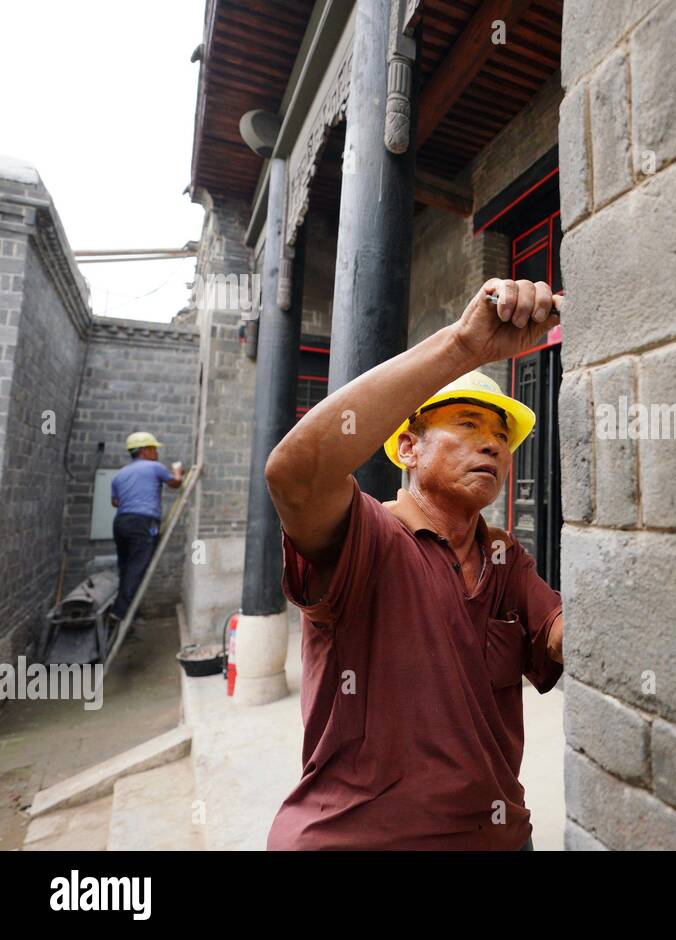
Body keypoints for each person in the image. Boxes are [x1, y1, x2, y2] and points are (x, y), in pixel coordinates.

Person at [264, 278, 565, 851]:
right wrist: (463, 348)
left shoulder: (504, 557)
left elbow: (558, 634)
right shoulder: (367, 536)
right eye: (468, 426)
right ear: (408, 448)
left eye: (502, 435)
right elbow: (292, 474)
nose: (494, 446)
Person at [109, 432, 183, 623]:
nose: (156, 452)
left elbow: (115, 502)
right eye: (154, 449)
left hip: (121, 522)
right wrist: (178, 472)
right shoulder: (154, 467)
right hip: (144, 522)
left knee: (125, 566)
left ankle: (130, 610)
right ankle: (121, 611)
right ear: (144, 451)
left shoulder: (120, 475)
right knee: (138, 565)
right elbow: (175, 484)